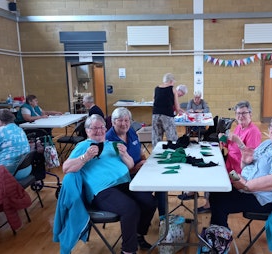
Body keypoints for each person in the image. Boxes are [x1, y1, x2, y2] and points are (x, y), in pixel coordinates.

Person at [62, 114, 157, 253]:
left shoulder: (112, 145)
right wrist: (85, 157)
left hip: (124, 183)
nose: (99, 131)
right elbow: (66, 168)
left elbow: (130, 165)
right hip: (102, 189)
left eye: (101, 127)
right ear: (87, 130)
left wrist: (125, 155)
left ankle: (138, 235)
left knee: (149, 201)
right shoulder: (83, 146)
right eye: (94, 128)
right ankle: (128, 250)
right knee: (130, 209)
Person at [209, 113, 272, 228]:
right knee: (215, 192)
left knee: (220, 202)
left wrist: (246, 185)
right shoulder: (268, 144)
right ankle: (217, 233)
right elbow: (248, 167)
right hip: (247, 187)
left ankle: (219, 240)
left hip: (264, 198)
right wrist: (244, 162)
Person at [182, 100, 262, 213]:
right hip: (229, 163)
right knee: (207, 165)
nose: (240, 116)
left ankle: (208, 201)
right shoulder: (239, 127)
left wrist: (238, 141)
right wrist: (222, 138)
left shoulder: (253, 131)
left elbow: (250, 158)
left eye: (244, 113)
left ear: (250, 114)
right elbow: (228, 144)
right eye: (238, 113)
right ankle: (200, 195)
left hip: (239, 173)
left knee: (213, 174)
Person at [106, 107, 166, 218]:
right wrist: (136, 168)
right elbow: (115, 170)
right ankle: (140, 229)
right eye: (120, 120)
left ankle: (164, 218)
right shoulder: (109, 140)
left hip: (139, 171)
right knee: (149, 201)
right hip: (124, 180)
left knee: (162, 182)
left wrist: (143, 160)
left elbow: (139, 149)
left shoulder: (131, 131)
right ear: (113, 122)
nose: (124, 123)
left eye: (127, 120)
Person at [152, 73, 184, 148]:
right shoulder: (173, 90)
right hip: (167, 115)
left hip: (155, 115)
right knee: (172, 137)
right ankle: (173, 153)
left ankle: (155, 154)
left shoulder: (156, 88)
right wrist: (179, 111)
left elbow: (154, 101)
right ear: (171, 81)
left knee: (156, 137)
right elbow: (177, 107)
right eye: (173, 82)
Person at [0, 109, 31, 180]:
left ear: (0, 121)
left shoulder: (0, 131)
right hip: (25, 169)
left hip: (8, 171)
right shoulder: (19, 129)